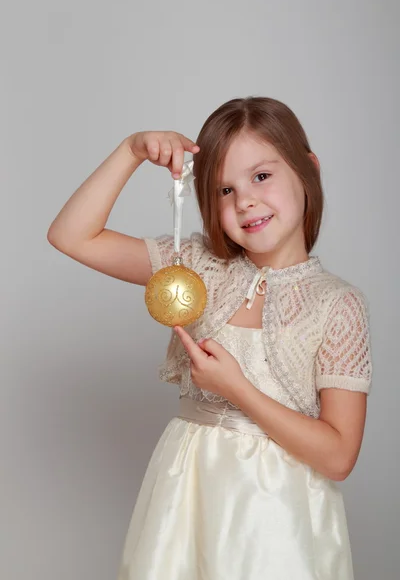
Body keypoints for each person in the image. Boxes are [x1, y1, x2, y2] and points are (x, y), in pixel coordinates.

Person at [47, 97, 372, 579]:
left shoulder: (337, 304)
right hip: (186, 498)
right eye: (224, 189)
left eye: (261, 176)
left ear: (308, 170)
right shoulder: (198, 266)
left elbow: (340, 455)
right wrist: (130, 151)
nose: (245, 200)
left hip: (277, 517)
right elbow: (72, 235)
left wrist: (237, 389)